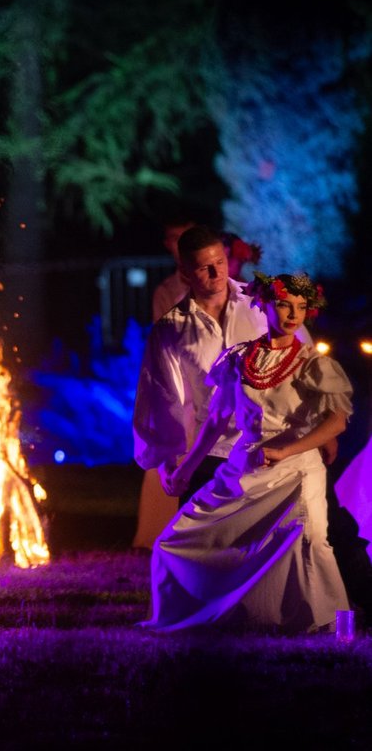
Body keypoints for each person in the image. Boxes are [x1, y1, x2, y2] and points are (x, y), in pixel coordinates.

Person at [142, 272, 351, 632]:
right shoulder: (239, 359)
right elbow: (216, 419)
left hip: (298, 467)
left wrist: (288, 449)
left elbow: (337, 422)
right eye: (284, 304)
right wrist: (186, 468)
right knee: (177, 541)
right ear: (262, 304)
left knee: (311, 538)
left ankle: (322, 622)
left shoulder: (313, 363)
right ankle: (233, 615)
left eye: (301, 308)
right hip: (246, 463)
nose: (292, 314)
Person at [132, 228, 264, 548]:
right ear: (186, 273)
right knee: (200, 550)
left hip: (268, 446)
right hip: (212, 452)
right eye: (205, 267)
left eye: (220, 261)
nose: (218, 272)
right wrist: (168, 459)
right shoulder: (172, 328)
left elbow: (303, 359)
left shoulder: (261, 304)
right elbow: (165, 396)